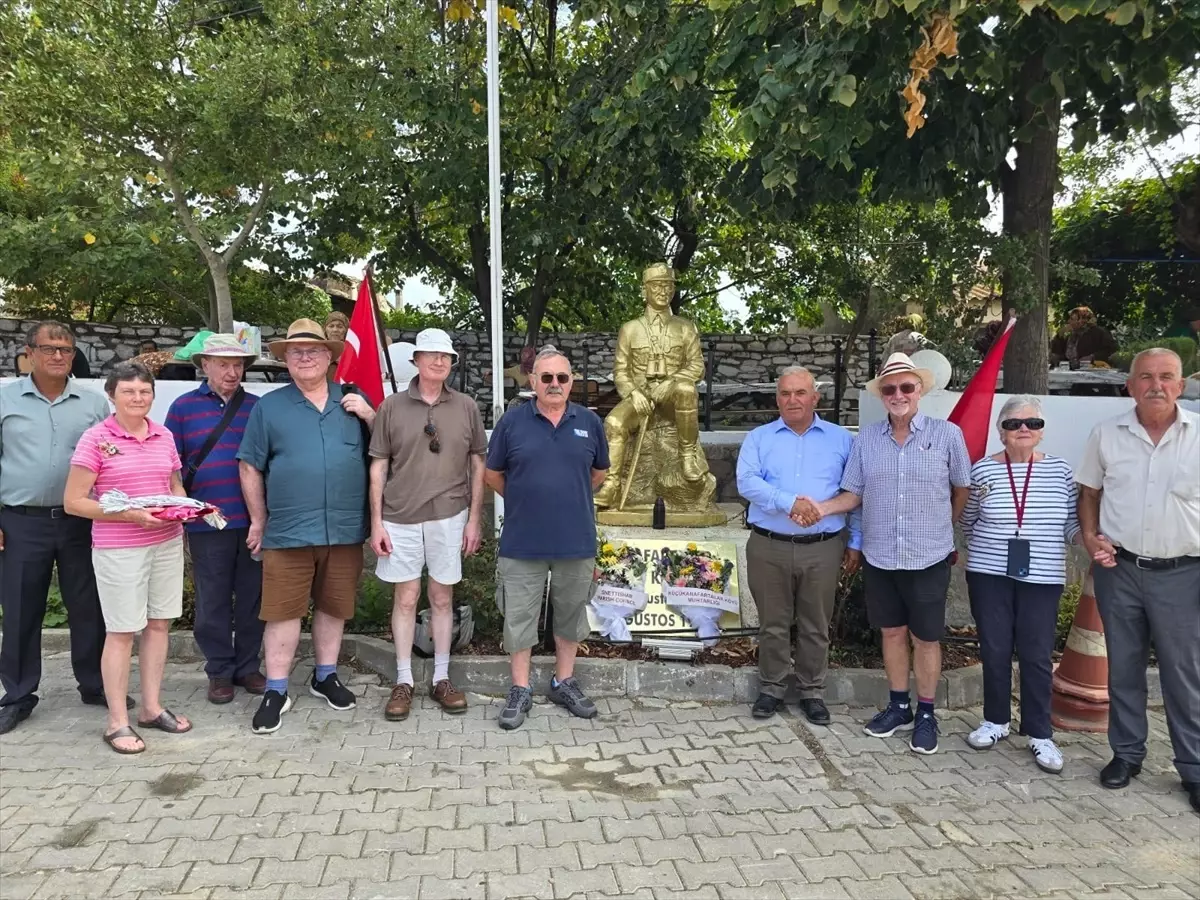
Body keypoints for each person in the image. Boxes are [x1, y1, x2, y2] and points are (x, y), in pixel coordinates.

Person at [804, 352, 971, 755]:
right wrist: (821, 508)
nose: (899, 394)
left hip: (928, 556)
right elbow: (854, 494)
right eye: (890, 388)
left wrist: (943, 526)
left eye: (906, 387)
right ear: (882, 395)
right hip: (881, 555)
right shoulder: (867, 441)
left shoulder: (947, 435)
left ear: (919, 392)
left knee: (926, 638)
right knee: (892, 633)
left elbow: (962, 486)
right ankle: (899, 706)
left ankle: (927, 713)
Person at [236, 318, 375, 735]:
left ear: (330, 357)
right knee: (282, 611)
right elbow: (249, 466)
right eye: (295, 352)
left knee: (334, 607)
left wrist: (370, 415)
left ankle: (325, 676)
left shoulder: (352, 400)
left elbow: (389, 452)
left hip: (344, 529)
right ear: (286, 360)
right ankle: (276, 689)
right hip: (289, 529)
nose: (305, 357)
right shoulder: (270, 406)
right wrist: (259, 520)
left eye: (313, 351)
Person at [1076, 347, 1200, 811]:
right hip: (1121, 571)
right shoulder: (1107, 434)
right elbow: (1089, 492)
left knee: (1184, 674)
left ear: (1181, 385)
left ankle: (1194, 768)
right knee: (1123, 669)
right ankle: (1126, 756)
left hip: (1184, 573)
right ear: (1129, 386)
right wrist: (1089, 538)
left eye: (1167, 377)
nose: (1156, 385)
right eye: (1146, 377)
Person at [64, 362, 191, 754]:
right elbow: (74, 502)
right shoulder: (96, 439)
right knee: (121, 632)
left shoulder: (164, 434)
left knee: (158, 626)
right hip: (120, 547)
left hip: (166, 542)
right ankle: (116, 721)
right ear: (112, 396)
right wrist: (130, 515)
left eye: (144, 392)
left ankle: (151, 708)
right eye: (129, 392)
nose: (138, 399)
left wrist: (187, 508)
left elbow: (173, 485)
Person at [0, 322, 119, 735]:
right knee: (19, 610)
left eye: (65, 350)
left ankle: (95, 682)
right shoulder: (4, 400)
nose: (57, 356)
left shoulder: (92, 406)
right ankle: (17, 694)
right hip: (19, 522)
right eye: (49, 349)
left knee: (89, 606)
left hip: (80, 522)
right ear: (29, 352)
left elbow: (108, 464)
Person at [484, 346, 609, 730]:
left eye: (562, 378)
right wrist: (525, 498)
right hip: (523, 541)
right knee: (519, 618)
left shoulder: (590, 421)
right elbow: (492, 474)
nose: (555, 384)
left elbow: (598, 474)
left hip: (575, 540)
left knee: (571, 617)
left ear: (571, 383)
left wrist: (564, 497)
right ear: (533, 381)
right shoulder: (511, 423)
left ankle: (563, 681)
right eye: (547, 377)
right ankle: (520, 689)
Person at [369, 329, 486, 721]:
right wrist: (376, 523)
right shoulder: (391, 407)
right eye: (432, 355)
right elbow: (378, 466)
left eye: (446, 356)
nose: (439, 362)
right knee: (405, 598)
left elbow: (477, 464)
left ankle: (440, 677)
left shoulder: (467, 406)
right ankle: (403, 680)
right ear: (416, 360)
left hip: (450, 515)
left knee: (441, 598)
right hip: (399, 516)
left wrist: (474, 520)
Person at [959, 396, 1081, 774]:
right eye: (1013, 424)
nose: (1023, 429)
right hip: (989, 572)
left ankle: (1039, 732)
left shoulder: (1062, 471)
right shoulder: (982, 472)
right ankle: (995, 721)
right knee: (994, 649)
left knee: (1036, 653)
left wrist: (1097, 544)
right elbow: (967, 521)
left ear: (1042, 431)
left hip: (1043, 576)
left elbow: (1073, 525)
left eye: (1032, 423)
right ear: (1001, 431)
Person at [736, 366, 862, 724]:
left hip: (822, 546)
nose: (792, 400)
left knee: (815, 623)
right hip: (768, 545)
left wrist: (855, 542)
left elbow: (855, 492)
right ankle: (772, 687)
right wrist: (790, 503)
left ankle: (812, 691)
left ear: (815, 397)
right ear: (777, 399)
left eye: (800, 393)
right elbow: (746, 482)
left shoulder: (842, 439)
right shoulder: (759, 438)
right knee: (772, 623)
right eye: (785, 394)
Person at [164, 334, 264, 705]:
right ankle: (220, 670)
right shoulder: (182, 408)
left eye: (238, 365)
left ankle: (248, 666)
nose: (232, 371)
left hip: (253, 522)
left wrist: (263, 518)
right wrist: (182, 515)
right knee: (213, 600)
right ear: (204, 365)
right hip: (206, 524)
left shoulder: (258, 407)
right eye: (223, 364)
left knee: (254, 599)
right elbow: (171, 466)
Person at [1049, 306, 1118, 368]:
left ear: (1082, 320)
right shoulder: (1070, 335)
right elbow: (1058, 352)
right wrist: (1059, 336)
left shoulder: (1099, 332)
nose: (1069, 321)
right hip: (1071, 372)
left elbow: (1111, 349)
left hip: (1094, 372)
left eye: (1072, 319)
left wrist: (1092, 357)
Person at [324, 312, 350, 379]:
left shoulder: (352, 352)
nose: (335, 330)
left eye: (340, 327)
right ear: (325, 330)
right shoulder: (318, 350)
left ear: (346, 330)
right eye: (331, 326)